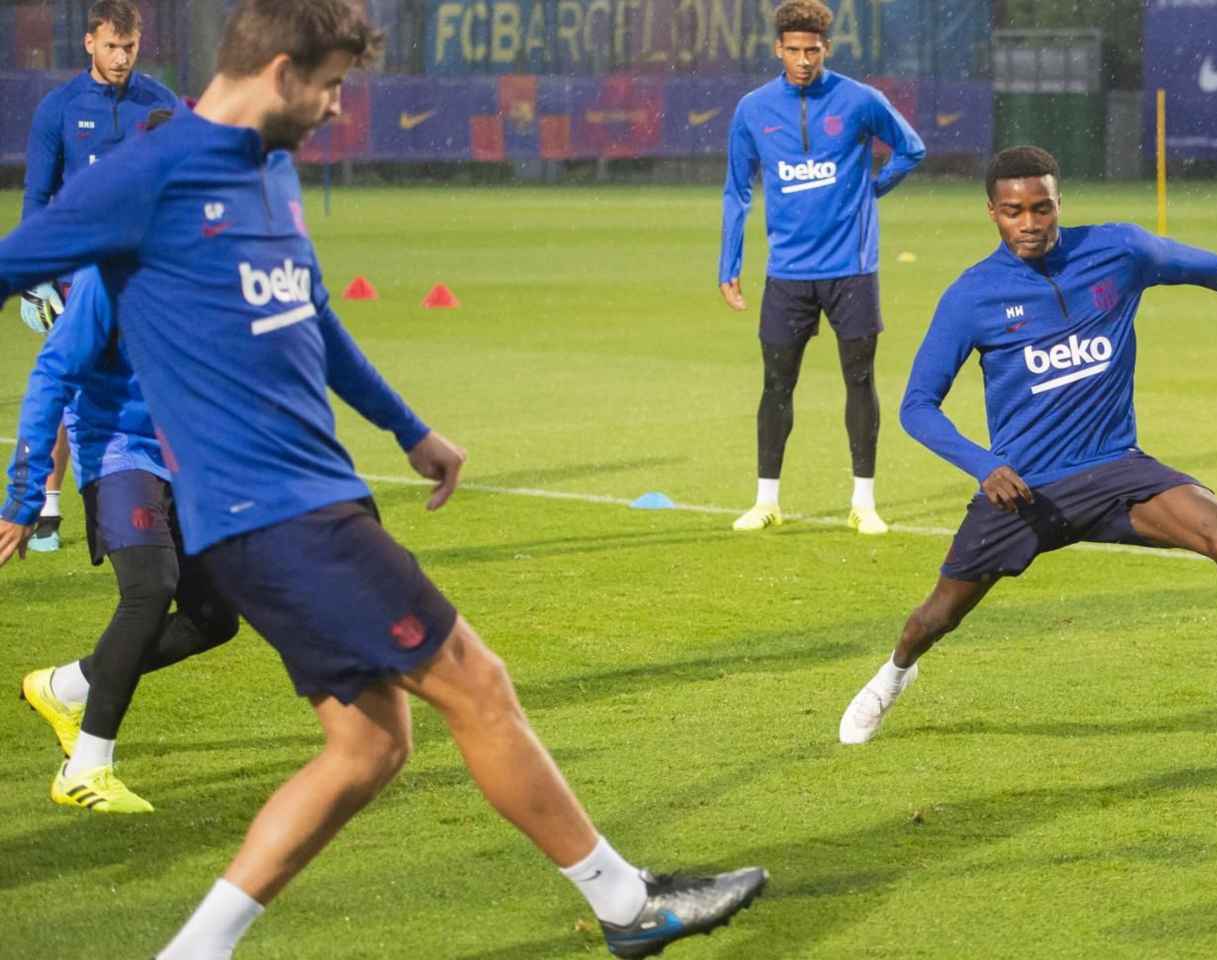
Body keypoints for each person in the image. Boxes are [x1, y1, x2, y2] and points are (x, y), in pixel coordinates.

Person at [0, 2, 763, 957]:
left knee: (370, 751)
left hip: (312, 499)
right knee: (478, 686)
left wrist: (408, 429)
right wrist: (26, 480)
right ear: (280, 70)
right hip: (274, 516)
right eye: (328, 87)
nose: (333, 110)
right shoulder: (145, 177)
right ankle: (627, 904)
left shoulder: (271, 171)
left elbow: (311, 317)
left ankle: (193, 951)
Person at [835, 146, 1217, 768]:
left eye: (1042, 207)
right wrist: (985, 466)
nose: (1030, 223)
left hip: (1117, 470)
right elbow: (917, 406)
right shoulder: (972, 297)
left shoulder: (1119, 252)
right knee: (936, 617)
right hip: (1025, 491)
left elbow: (1212, 268)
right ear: (992, 213)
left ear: (1060, 202)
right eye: (1013, 212)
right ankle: (893, 676)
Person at [5, 264, 239, 815]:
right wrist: (25, 495)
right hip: (116, 451)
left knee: (213, 617)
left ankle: (65, 688)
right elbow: (51, 375)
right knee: (150, 587)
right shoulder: (108, 273)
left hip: (182, 457)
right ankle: (85, 768)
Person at [718, 0, 927, 535]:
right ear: (777, 49)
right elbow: (737, 189)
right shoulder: (754, 109)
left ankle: (864, 502)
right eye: (794, 50)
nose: (804, 60)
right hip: (787, 273)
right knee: (776, 385)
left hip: (852, 269)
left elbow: (911, 148)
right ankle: (766, 501)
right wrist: (730, 262)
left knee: (859, 380)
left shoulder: (860, 100)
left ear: (826, 49)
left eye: (813, 50)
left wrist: (872, 189)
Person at [16, 0, 179, 553]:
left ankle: (135, 491)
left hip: (143, 277)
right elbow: (37, 196)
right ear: (89, 42)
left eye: (129, 47)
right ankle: (49, 500)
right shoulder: (59, 108)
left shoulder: (159, 103)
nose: (121, 58)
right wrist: (35, 275)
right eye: (111, 46)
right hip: (73, 276)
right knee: (68, 383)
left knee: (132, 387)